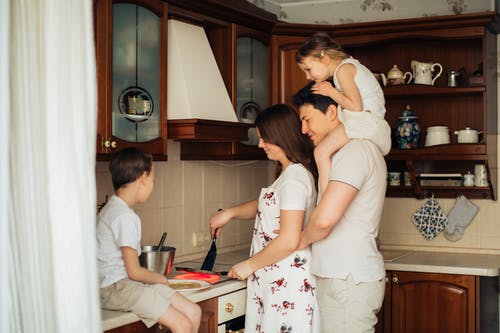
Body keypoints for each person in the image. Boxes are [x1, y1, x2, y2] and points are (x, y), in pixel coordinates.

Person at [208, 104, 319, 332]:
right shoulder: (287, 174)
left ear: (282, 136)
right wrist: (229, 213)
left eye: (264, 138)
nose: (260, 145)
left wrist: (249, 265)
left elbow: (289, 239)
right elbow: (267, 205)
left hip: (287, 284)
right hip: (277, 279)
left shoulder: (295, 179)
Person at [292, 82, 387, 333]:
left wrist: (300, 239)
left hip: (349, 280)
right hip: (341, 276)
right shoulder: (338, 153)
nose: (304, 129)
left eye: (307, 119)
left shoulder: (356, 151)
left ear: (332, 112)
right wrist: (322, 155)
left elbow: (324, 220)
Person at [97, 147, 201, 333]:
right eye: (152, 180)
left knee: (193, 312)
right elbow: (134, 272)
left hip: (126, 285)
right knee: (183, 324)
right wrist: (161, 278)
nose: (153, 185)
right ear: (143, 178)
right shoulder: (123, 216)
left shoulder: (116, 208)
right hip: (114, 288)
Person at [296, 32, 391, 196]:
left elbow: (355, 106)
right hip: (370, 123)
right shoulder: (350, 66)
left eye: (308, 69)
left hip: (363, 122)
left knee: (321, 152)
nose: (308, 76)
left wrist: (330, 91)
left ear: (325, 59)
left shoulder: (343, 71)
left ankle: (324, 200)